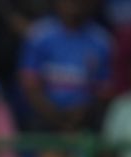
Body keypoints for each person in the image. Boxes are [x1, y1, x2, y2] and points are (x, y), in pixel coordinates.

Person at [19, 0, 112, 132]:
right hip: (44, 119)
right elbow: (30, 86)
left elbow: (104, 91)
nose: (72, 3)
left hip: (86, 121)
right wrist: (57, 118)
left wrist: (82, 114)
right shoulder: (38, 35)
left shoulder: (102, 41)